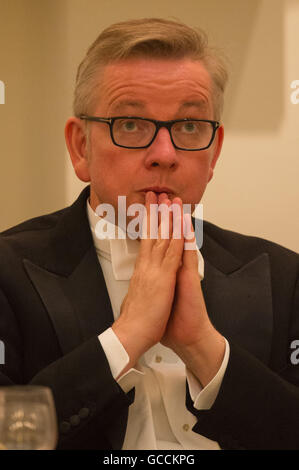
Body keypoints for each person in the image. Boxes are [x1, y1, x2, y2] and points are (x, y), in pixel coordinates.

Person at [0, 17, 298, 450]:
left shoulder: (283, 277)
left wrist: (203, 348)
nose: (165, 154)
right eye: (131, 124)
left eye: (190, 127)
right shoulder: (7, 272)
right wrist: (127, 336)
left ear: (213, 154)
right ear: (80, 147)